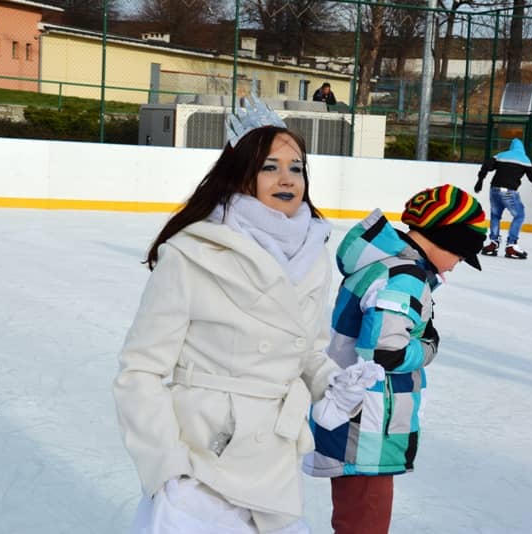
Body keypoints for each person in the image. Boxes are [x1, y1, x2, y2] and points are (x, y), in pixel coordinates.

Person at [113, 94, 379, 533]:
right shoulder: (195, 252)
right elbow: (139, 370)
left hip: (273, 465)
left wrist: (332, 382)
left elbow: (306, 351)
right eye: (269, 167)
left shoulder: (313, 254)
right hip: (201, 466)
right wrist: (167, 466)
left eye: (297, 168)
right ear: (242, 176)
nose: (287, 178)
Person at [303, 184, 488, 534]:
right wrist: (428, 347)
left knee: (355, 521)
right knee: (364, 525)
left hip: (356, 418)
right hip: (366, 425)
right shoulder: (405, 277)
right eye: (462, 256)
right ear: (447, 240)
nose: (456, 266)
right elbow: (386, 351)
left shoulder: (382, 267)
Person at [474, 138, 532, 259]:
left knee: (495, 216)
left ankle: (493, 243)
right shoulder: (524, 159)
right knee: (519, 215)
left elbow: (486, 165)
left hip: (494, 190)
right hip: (508, 191)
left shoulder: (501, 155)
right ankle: (511, 245)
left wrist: (480, 181)